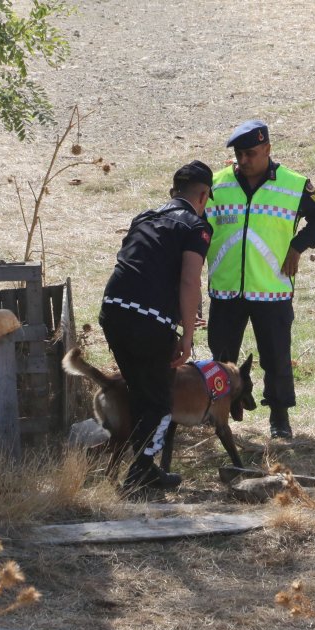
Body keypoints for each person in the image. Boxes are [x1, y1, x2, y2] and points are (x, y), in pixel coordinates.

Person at [205, 120, 315, 439]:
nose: (243, 160)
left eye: (250, 153)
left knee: (276, 358)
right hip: (225, 290)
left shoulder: (294, 184)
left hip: (272, 290)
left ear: (267, 149)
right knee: (221, 357)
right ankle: (218, 413)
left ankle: (279, 417)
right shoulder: (216, 184)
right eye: (239, 154)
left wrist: (298, 246)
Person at [99, 160, 214, 492]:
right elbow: (190, 280)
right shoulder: (196, 226)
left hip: (112, 311)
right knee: (162, 401)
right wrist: (188, 335)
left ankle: (143, 469)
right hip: (147, 319)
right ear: (204, 195)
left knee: (140, 392)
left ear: (171, 192)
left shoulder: (145, 217)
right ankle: (141, 472)